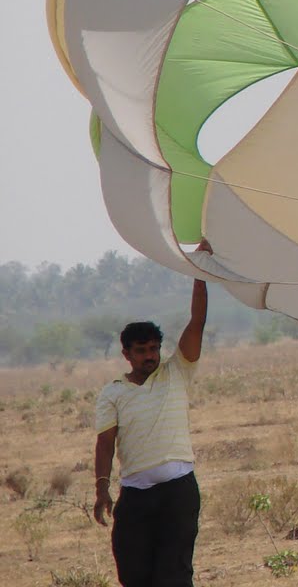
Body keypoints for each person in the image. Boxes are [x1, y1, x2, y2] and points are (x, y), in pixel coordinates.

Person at [94, 246, 210, 587]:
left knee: (174, 574)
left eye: (154, 349)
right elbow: (105, 444)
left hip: (178, 493)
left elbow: (197, 323)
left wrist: (199, 273)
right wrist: (102, 488)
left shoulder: (177, 372)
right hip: (136, 497)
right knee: (134, 575)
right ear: (126, 354)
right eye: (141, 351)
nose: (150, 356)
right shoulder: (113, 392)